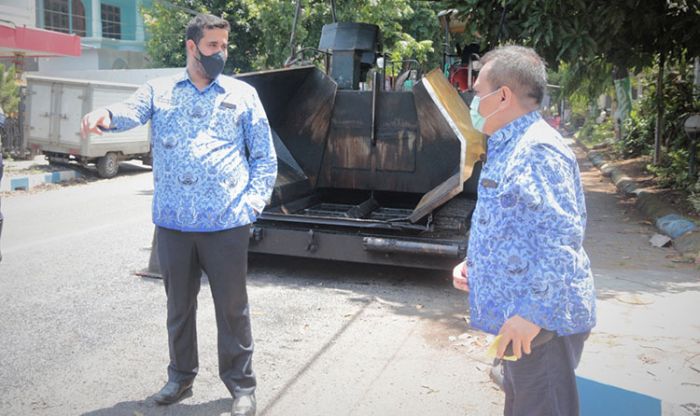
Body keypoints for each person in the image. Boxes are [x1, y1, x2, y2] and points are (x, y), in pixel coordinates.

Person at [80, 14, 277, 416]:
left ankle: (241, 386)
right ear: (191, 47)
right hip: (173, 224)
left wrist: (252, 205)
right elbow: (130, 110)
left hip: (226, 223)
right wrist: (106, 115)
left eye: (224, 46)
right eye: (212, 47)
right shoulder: (160, 90)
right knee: (179, 308)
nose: (220, 53)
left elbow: (264, 156)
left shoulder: (242, 94)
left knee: (232, 309)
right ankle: (180, 377)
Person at [452, 45, 595, 416]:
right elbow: (514, 224)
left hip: (539, 326)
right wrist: (475, 265)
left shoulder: (537, 150)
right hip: (521, 320)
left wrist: (532, 315)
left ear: (503, 96)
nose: (472, 99)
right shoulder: (509, 144)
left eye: (477, 91)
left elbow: (561, 240)